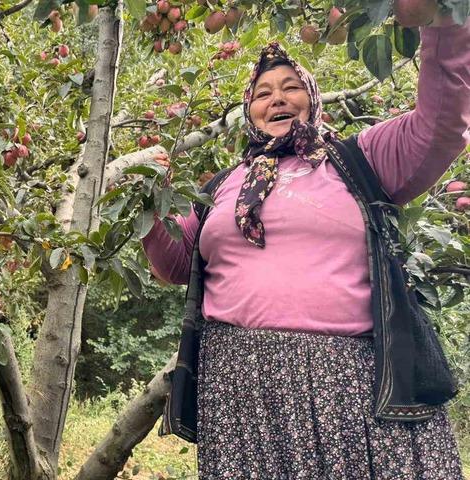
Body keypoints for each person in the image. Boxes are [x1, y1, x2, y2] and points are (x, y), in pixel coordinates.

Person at [146, 10, 469, 479]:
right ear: (249, 109)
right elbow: (174, 263)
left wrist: (443, 19)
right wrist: (151, 201)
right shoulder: (221, 186)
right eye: (262, 93)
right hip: (240, 388)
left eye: (291, 87)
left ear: (312, 98)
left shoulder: (359, 158)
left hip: (351, 383)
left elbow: (441, 126)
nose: (276, 98)